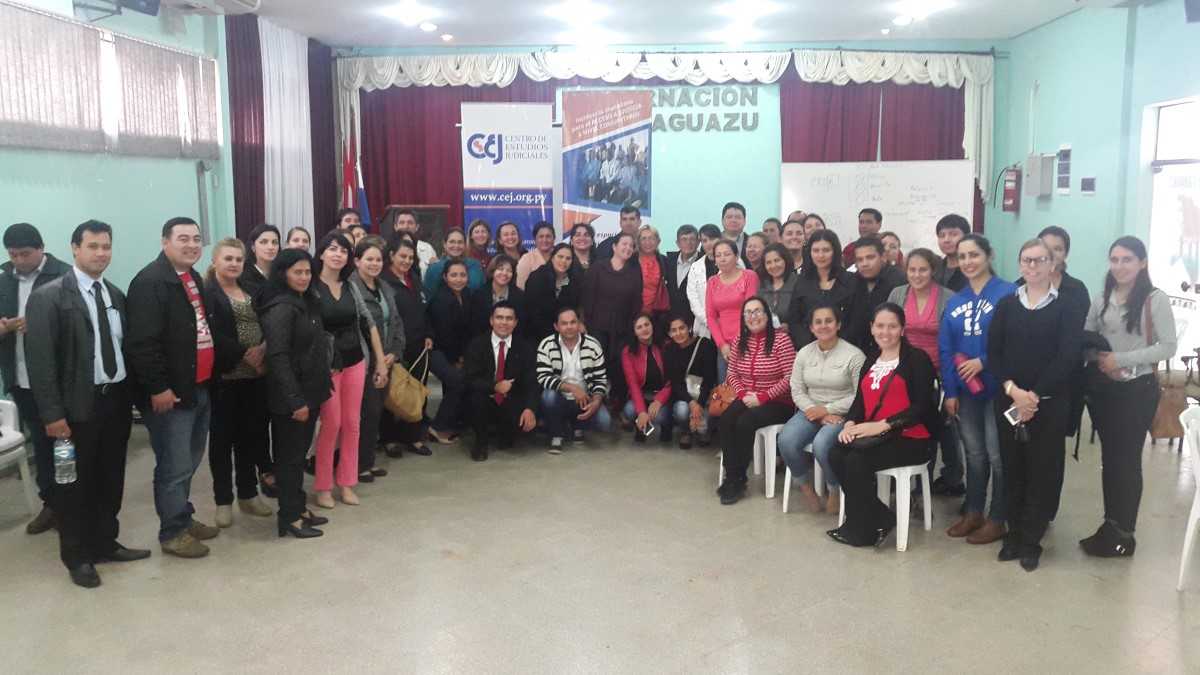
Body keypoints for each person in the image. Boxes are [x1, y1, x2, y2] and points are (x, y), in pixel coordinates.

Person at [25, 220, 147, 588]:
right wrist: (52, 416)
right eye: (93, 246)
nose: (101, 253)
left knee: (111, 479)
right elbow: (41, 363)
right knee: (71, 484)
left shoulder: (113, 293)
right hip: (72, 410)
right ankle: (76, 556)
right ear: (75, 248)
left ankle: (105, 543)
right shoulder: (48, 297)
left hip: (114, 403)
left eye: (106, 246)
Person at [988, 238, 1086, 571]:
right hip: (1010, 402)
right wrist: (1015, 391)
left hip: (1050, 403)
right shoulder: (1005, 305)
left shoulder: (1067, 307)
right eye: (1027, 260)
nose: (1033, 266)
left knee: (1043, 473)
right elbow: (994, 355)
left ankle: (1032, 540)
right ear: (1019, 264)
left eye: (1040, 260)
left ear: (1053, 264)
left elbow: (1068, 357)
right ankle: (1012, 534)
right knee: (1012, 469)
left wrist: (1034, 396)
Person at [126, 217, 219, 558]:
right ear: (165, 242)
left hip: (198, 387)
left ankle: (181, 514)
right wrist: (158, 388)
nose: (192, 244)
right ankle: (171, 532)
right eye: (183, 238)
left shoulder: (192, 277)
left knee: (190, 461)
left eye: (196, 238)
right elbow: (142, 344)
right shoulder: (150, 282)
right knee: (173, 464)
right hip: (172, 394)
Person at [1080, 235, 1176, 558]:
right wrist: (1100, 360)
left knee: (1127, 461)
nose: (1119, 267)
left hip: (1139, 390)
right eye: (1114, 260)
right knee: (1110, 460)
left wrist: (1119, 361)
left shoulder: (1154, 299)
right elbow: (1087, 339)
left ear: (1142, 263)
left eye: (1127, 260)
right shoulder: (1101, 299)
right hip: (1106, 388)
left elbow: (1168, 346)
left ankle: (1126, 534)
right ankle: (1110, 524)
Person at [826, 303, 938, 547]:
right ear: (871, 328)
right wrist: (850, 424)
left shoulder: (917, 359)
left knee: (855, 462)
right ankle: (880, 517)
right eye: (880, 326)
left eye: (892, 326)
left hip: (912, 437)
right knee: (835, 452)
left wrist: (882, 425)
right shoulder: (871, 359)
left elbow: (922, 407)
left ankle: (861, 530)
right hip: (878, 437)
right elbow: (859, 401)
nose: (885, 332)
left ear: (902, 329)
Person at [938, 234, 1017, 546]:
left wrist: (982, 362)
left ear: (989, 255)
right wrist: (951, 391)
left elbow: (1014, 340)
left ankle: (998, 518)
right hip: (966, 392)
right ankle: (973, 511)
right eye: (963, 256)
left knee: (998, 455)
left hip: (1000, 389)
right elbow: (946, 349)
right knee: (974, 453)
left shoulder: (1009, 294)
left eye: (975, 255)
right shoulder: (955, 301)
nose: (968, 262)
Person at [0, 222, 72, 535]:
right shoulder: (4, 281)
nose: (18, 260)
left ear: (41, 249)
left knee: (68, 442)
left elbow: (78, 325)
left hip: (59, 379)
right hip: (21, 377)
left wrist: (39, 323)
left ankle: (76, 504)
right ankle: (52, 504)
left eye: (24, 254)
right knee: (41, 444)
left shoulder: (64, 275)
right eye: (12, 255)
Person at [259, 249, 333, 539]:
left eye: (307, 272)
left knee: (298, 456)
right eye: (297, 272)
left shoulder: (304, 302)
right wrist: (296, 400)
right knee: (288, 459)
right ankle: (288, 516)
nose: (304, 277)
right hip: (291, 399)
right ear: (283, 274)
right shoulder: (280, 307)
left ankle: (299, 508)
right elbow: (278, 357)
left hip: (309, 393)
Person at [311, 231, 388, 509]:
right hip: (329, 367)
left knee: (353, 424)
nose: (337, 254)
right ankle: (322, 486)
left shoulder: (350, 286)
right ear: (321, 253)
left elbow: (368, 323)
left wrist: (379, 360)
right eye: (332, 249)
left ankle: (346, 482)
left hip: (356, 361)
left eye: (343, 251)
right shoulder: (311, 286)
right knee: (331, 423)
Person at [202, 238, 273, 529]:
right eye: (228, 258)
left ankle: (248, 495)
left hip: (255, 378)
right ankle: (223, 501)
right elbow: (212, 333)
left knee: (250, 438)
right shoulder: (208, 295)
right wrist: (246, 354)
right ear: (215, 261)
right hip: (225, 378)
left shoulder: (252, 290)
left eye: (238, 259)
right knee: (222, 443)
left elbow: (268, 323)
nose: (233, 264)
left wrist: (263, 349)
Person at [778, 304, 865, 515]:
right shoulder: (805, 354)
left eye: (829, 321)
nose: (823, 326)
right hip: (810, 411)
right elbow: (796, 389)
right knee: (786, 440)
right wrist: (814, 410)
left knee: (823, 444)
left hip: (843, 415)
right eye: (818, 322)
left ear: (838, 325)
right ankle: (806, 487)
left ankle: (834, 489)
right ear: (811, 327)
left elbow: (859, 396)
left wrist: (826, 410)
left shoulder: (854, 355)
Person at [887, 248, 961, 498]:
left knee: (943, 430)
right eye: (912, 269)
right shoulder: (898, 293)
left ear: (933, 271)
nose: (917, 275)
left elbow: (954, 341)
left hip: (940, 374)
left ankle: (947, 479)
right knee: (910, 427)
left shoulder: (948, 298)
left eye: (923, 269)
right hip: (906, 372)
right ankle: (914, 485)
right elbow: (889, 330)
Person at [715, 297, 796, 505]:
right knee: (725, 420)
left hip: (779, 401)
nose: (753, 317)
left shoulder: (781, 341)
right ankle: (733, 475)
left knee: (744, 422)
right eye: (748, 313)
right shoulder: (739, 340)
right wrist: (743, 394)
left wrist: (763, 397)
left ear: (767, 315)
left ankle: (738, 478)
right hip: (747, 396)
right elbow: (732, 373)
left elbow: (790, 378)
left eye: (758, 311)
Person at [349, 236, 405, 484]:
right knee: (364, 413)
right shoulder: (351, 288)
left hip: (387, 360)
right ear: (357, 261)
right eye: (368, 259)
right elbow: (358, 329)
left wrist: (395, 351)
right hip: (366, 362)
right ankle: (357, 465)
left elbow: (396, 322)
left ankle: (368, 461)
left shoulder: (384, 287)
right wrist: (378, 358)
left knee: (375, 414)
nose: (374, 263)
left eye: (378, 259)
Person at [378, 237, 433, 457]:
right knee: (391, 394)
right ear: (391, 255)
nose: (407, 261)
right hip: (392, 348)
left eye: (411, 257)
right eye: (402, 256)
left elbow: (424, 310)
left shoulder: (414, 278)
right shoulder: (382, 281)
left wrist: (429, 334)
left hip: (419, 346)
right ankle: (389, 440)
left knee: (417, 392)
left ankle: (414, 438)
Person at [463, 302, 538, 461]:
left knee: (523, 433)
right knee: (475, 398)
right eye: (499, 318)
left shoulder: (525, 347)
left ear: (515, 323)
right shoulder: (477, 344)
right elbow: (469, 380)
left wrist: (530, 408)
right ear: (491, 320)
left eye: (509, 319)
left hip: (511, 400)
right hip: (485, 398)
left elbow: (532, 381)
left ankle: (505, 432)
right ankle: (481, 442)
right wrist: (495, 386)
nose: (504, 322)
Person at [536, 306, 611, 453]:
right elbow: (543, 377)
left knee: (604, 421)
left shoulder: (593, 345)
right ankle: (556, 435)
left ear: (579, 323)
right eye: (564, 323)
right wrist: (572, 388)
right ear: (556, 326)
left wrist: (596, 401)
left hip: (584, 400)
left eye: (573, 322)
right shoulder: (547, 345)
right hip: (559, 399)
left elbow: (600, 379)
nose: (569, 327)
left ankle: (576, 425)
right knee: (548, 396)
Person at [581, 231, 642, 407]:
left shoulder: (633, 273)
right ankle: (593, 401)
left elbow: (636, 304)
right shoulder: (598, 268)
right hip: (596, 325)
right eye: (624, 244)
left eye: (631, 245)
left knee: (620, 365)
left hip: (622, 328)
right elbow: (586, 296)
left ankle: (619, 403)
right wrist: (585, 322)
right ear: (614, 247)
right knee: (597, 364)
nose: (628, 248)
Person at [426, 259, 472, 445]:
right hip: (436, 350)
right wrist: (457, 360)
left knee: (459, 382)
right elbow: (445, 336)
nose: (458, 279)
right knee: (458, 381)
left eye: (462, 275)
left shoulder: (466, 294)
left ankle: (451, 421)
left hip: (455, 350)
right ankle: (437, 427)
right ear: (445, 277)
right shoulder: (441, 300)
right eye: (454, 275)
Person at [785, 229, 857, 350]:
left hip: (845, 348)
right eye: (816, 250)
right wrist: (810, 344)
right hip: (809, 348)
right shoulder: (802, 282)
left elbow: (857, 319)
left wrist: (835, 345)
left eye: (826, 250)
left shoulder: (851, 281)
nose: (820, 255)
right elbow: (794, 319)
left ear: (835, 252)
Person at [706, 239, 758, 383]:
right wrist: (722, 345)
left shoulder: (749, 276)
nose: (722, 258)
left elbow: (751, 311)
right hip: (724, 346)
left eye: (727, 254)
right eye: (718, 255)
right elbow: (710, 316)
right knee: (726, 392)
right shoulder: (712, 281)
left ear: (736, 256)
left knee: (749, 390)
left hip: (748, 342)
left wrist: (738, 343)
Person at [663, 314, 717, 449]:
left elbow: (709, 379)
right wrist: (692, 404)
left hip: (706, 396)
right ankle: (688, 430)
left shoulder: (705, 345)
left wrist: (699, 404)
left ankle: (703, 431)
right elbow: (676, 383)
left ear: (690, 328)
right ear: (669, 333)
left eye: (682, 328)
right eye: (673, 330)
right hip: (686, 398)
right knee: (680, 410)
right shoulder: (670, 350)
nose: (678, 333)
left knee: (711, 414)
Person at [845, 236, 907, 352]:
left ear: (883, 256)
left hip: (891, 351)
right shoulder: (852, 282)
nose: (865, 264)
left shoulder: (900, 282)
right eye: (860, 259)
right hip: (855, 352)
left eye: (870, 258)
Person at [621, 313, 674, 443]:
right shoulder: (628, 351)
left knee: (659, 416)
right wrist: (641, 412)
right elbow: (632, 384)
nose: (644, 329)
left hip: (663, 396)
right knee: (629, 410)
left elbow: (673, 379)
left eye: (646, 324)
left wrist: (659, 401)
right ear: (634, 332)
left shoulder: (667, 346)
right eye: (639, 327)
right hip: (642, 395)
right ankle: (641, 426)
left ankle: (666, 426)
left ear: (652, 326)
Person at [524, 244, 582, 344]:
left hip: (565, 334)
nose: (564, 261)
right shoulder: (537, 278)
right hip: (536, 333)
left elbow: (574, 308)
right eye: (560, 257)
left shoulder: (574, 282)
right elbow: (532, 312)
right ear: (552, 258)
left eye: (568, 258)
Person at [470, 254, 525, 336]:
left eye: (509, 271)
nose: (504, 273)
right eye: (500, 269)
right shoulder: (480, 295)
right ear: (493, 271)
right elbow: (475, 326)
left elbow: (521, 326)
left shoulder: (519, 296)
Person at [423, 228, 485, 300]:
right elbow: (430, 299)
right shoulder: (434, 269)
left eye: (460, 242)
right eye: (452, 242)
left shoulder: (475, 266)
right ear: (445, 244)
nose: (456, 245)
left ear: (465, 245)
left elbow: (483, 293)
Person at [685, 224, 722, 339]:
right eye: (704, 240)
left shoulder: (736, 262)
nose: (709, 243)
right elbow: (693, 298)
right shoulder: (696, 266)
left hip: (728, 323)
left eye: (712, 239)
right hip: (704, 326)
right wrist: (709, 322)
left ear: (720, 239)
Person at [757, 243, 798, 335]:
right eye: (768, 262)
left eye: (777, 260)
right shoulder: (762, 286)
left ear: (785, 260)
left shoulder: (798, 283)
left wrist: (789, 326)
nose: (773, 265)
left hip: (795, 342)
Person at [665, 225, 701, 325]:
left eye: (692, 239)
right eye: (684, 239)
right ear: (677, 243)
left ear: (698, 242)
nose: (688, 243)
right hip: (670, 322)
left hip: (694, 322)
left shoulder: (704, 263)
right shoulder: (668, 262)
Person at [636, 224, 669, 320]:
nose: (648, 242)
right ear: (638, 241)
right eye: (644, 239)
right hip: (635, 313)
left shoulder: (665, 261)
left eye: (651, 238)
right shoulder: (632, 261)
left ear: (658, 241)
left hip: (658, 313)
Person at [393, 209, 438, 275]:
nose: (406, 227)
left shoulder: (427, 248)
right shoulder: (389, 247)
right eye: (402, 222)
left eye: (410, 223)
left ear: (417, 227)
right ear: (395, 227)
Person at [932, 214, 969, 292]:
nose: (946, 240)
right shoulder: (935, 269)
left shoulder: (973, 270)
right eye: (941, 235)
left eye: (953, 234)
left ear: (966, 236)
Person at [240, 224, 280, 296]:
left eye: (275, 243)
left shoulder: (282, 273)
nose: (271, 247)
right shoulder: (243, 274)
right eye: (263, 242)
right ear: (253, 247)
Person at [515, 221, 555, 289]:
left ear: (554, 239)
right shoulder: (527, 259)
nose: (544, 240)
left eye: (548, 236)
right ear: (535, 239)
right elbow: (520, 287)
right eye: (541, 236)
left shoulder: (559, 257)